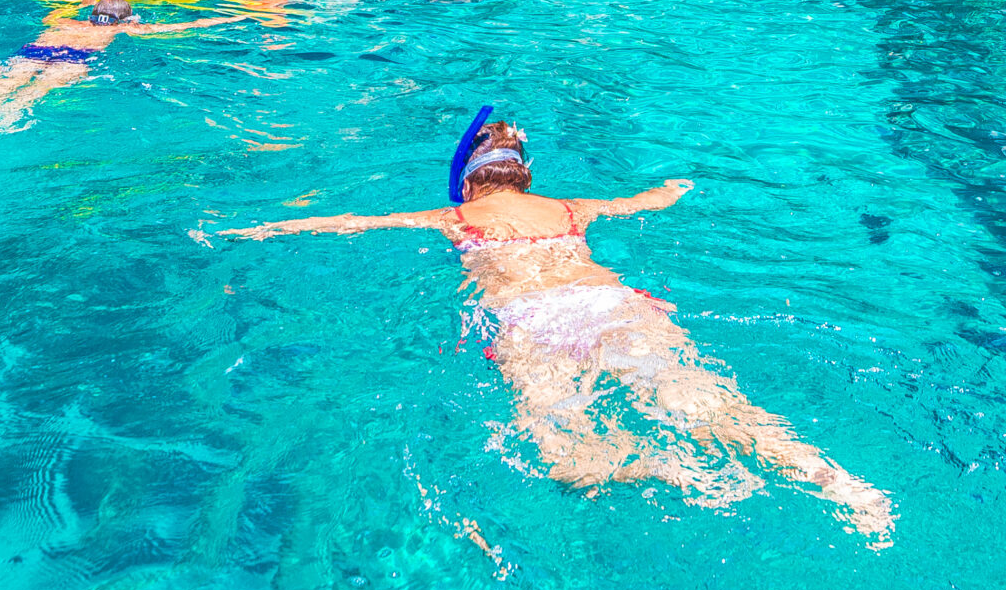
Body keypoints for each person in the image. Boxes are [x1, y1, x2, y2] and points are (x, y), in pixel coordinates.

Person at [223, 115, 894, 544]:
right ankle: (839, 482)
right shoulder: (572, 206)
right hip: (608, 305)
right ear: (526, 172)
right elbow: (642, 202)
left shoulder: (453, 219)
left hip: (531, 325)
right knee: (712, 404)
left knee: (565, 458)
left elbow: (352, 224)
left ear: (468, 184)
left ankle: (669, 469)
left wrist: (263, 227)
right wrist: (676, 185)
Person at [0, 0, 247, 133]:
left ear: (92, 13)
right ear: (127, 18)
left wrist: (82, 3)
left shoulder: (63, 21)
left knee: (1, 86)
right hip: (74, 57)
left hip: (35, 50)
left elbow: (52, 13)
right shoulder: (123, 29)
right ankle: (5, 120)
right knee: (37, 91)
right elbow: (184, 27)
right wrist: (234, 17)